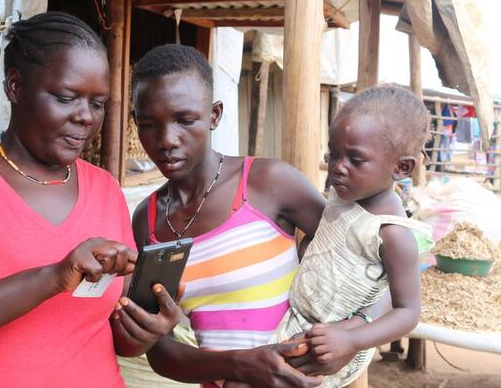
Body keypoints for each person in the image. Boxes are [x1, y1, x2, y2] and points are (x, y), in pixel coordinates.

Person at [0, 12, 182, 388]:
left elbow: (115, 338)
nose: (85, 117)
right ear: (15, 86)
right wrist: (53, 278)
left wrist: (148, 327)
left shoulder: (105, 189)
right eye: (66, 98)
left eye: (98, 103)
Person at [129, 44, 387, 388]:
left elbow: (382, 267)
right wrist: (240, 365)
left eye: (186, 120)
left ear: (214, 115)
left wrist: (354, 333)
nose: (166, 140)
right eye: (149, 124)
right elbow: (160, 353)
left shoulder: (268, 183)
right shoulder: (147, 221)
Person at [253, 85, 433, 388]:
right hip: (298, 322)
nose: (338, 168)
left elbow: (408, 312)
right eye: (333, 155)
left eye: (355, 160)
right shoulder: (342, 199)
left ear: (401, 167)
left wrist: (350, 340)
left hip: (335, 344)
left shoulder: (392, 234)